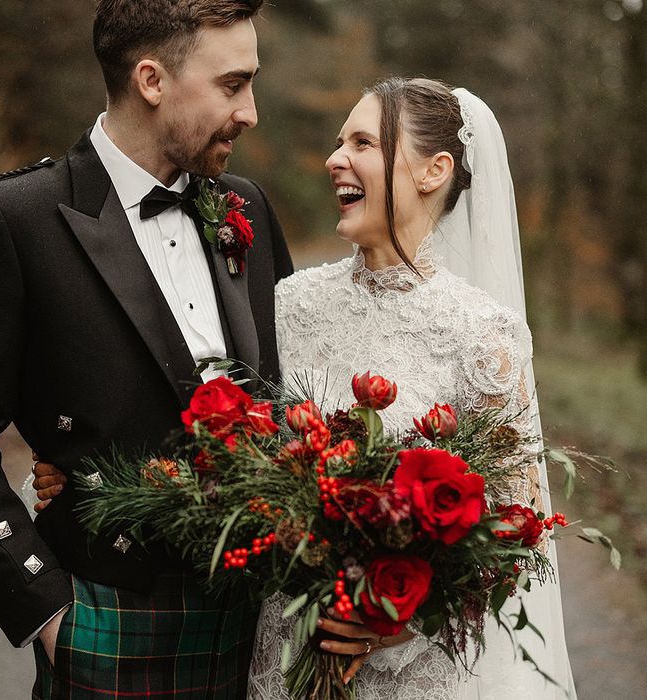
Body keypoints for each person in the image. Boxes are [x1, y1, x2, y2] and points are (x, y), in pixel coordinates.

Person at [32, 78, 577, 697]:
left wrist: (403, 618)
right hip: (280, 652)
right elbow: (205, 419)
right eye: (338, 141)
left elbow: (514, 533)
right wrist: (78, 469)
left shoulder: (486, 335)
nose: (334, 159)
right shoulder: (285, 306)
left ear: (434, 171)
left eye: (363, 142)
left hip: (411, 670)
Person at [0, 1, 292, 698]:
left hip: (259, 625)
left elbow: (290, 400)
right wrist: (50, 613)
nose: (251, 112)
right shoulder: (14, 220)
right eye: (232, 85)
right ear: (152, 80)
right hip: (110, 624)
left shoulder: (248, 209)